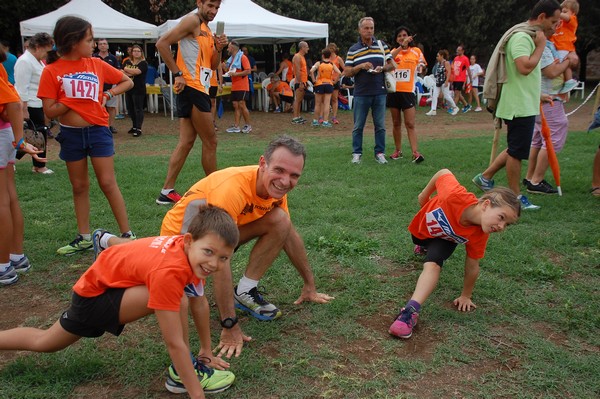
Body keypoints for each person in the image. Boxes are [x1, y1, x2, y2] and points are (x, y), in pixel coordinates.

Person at [0, 206, 239, 399]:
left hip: (107, 284)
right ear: (188, 241)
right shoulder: (171, 271)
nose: (214, 263)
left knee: (44, 340)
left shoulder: (186, 250)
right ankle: (184, 374)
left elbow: (198, 300)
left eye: (223, 258)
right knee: (44, 342)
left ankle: (187, 368)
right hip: (94, 299)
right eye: (209, 252)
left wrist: (206, 353)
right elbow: (173, 342)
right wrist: (197, 395)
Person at [160, 135, 334, 324]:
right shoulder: (232, 189)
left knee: (281, 221)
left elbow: (288, 235)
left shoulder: (273, 189)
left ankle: (245, 291)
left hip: (215, 235)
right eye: (279, 170)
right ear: (262, 163)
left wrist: (310, 285)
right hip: (179, 242)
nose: (285, 181)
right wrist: (230, 325)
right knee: (177, 300)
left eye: (294, 175)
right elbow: (218, 253)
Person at [37, 16, 135, 255]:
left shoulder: (96, 65)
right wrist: (71, 100)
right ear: (73, 41)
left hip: (98, 131)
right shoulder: (51, 71)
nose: (94, 44)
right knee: (79, 186)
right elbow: (49, 112)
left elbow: (127, 81)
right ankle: (83, 237)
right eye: (89, 40)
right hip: (70, 135)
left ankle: (128, 235)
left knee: (108, 182)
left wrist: (107, 94)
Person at [389, 169, 520, 339]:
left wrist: (466, 295)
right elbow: (443, 172)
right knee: (419, 241)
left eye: (507, 224)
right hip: (420, 232)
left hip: (445, 240)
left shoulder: (480, 234)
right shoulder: (455, 196)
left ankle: (410, 312)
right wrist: (424, 195)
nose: (501, 227)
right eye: (501, 217)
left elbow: (472, 266)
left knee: (433, 264)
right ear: (486, 205)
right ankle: (422, 247)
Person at [472, 0, 561, 211]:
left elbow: (520, 76)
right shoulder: (523, 37)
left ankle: (484, 178)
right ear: (541, 17)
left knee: (516, 147)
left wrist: (538, 95)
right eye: (554, 21)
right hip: (517, 106)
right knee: (516, 152)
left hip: (523, 103)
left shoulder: (529, 36)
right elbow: (523, 67)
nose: (555, 26)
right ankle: (515, 198)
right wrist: (541, 46)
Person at [155, 0, 228, 205]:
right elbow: (161, 43)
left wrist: (219, 48)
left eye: (217, 8)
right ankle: (214, 191)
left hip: (199, 88)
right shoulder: (191, 21)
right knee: (211, 141)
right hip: (192, 88)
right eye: (210, 6)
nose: (213, 11)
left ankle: (166, 191)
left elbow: (213, 65)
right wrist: (177, 74)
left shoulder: (206, 28)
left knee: (186, 142)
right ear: (200, 3)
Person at [0, 46, 45, 286]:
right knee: (9, 198)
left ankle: (3, 264)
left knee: (2, 201)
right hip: (4, 134)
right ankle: (16, 257)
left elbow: (14, 104)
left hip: (3, 135)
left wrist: (19, 141)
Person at [524, 34, 575, 195]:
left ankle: (530, 177)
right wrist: (568, 60)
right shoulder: (543, 45)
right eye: (554, 22)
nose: (556, 26)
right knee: (554, 133)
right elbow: (551, 72)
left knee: (538, 138)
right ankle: (536, 180)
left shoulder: (546, 44)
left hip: (543, 98)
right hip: (548, 99)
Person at [344, 16, 395, 165]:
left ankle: (380, 153)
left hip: (379, 91)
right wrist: (360, 67)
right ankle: (357, 153)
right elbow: (346, 72)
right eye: (366, 28)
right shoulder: (353, 49)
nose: (369, 31)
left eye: (371, 28)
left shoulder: (381, 45)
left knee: (380, 125)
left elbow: (392, 65)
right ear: (360, 30)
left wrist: (382, 68)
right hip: (361, 92)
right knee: (358, 125)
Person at [14, 32, 54, 174]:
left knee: (36, 134)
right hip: (30, 105)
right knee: (35, 134)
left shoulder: (35, 61)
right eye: (46, 51)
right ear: (38, 47)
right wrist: (24, 110)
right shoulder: (25, 61)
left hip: (37, 103)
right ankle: (38, 165)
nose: (46, 55)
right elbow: (21, 88)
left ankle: (37, 164)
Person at [387, 26, 425, 163]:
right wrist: (400, 47)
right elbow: (388, 60)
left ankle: (415, 152)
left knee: (410, 123)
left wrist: (421, 67)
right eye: (399, 36)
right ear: (396, 39)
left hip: (408, 92)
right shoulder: (393, 52)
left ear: (410, 37)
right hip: (394, 91)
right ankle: (398, 150)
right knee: (396, 123)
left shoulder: (416, 51)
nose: (402, 38)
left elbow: (422, 65)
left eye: (404, 35)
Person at [549, 0, 579, 93]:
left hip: (564, 47)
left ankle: (569, 81)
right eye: (561, 11)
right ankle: (568, 81)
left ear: (573, 13)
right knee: (562, 63)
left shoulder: (572, 20)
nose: (562, 13)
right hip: (556, 47)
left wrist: (557, 13)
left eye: (565, 11)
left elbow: (567, 18)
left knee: (562, 64)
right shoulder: (560, 22)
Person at [224, 40, 252, 134]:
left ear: (232, 48)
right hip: (235, 85)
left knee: (241, 104)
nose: (227, 49)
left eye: (228, 47)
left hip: (242, 85)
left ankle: (248, 125)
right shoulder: (232, 59)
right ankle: (236, 126)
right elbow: (231, 71)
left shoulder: (243, 57)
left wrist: (235, 74)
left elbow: (248, 71)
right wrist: (225, 69)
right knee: (236, 105)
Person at [93, 39, 120, 134]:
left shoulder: (113, 58)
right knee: (98, 107)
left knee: (111, 107)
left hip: (111, 86)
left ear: (108, 46)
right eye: (100, 44)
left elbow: (117, 72)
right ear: (98, 46)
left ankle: (110, 126)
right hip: (97, 87)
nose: (103, 46)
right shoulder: (94, 57)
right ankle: (100, 125)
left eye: (104, 44)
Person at [310, 48, 341, 127]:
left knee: (318, 103)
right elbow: (339, 73)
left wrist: (314, 80)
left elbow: (311, 71)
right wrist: (335, 81)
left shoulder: (319, 63)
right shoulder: (331, 64)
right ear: (330, 56)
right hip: (329, 84)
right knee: (327, 103)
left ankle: (315, 121)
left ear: (322, 55)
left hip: (319, 83)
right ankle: (325, 121)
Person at [122, 44, 148, 137]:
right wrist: (127, 71)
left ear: (141, 53)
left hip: (139, 89)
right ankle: (134, 126)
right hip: (128, 88)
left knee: (138, 109)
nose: (136, 53)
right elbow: (122, 73)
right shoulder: (127, 62)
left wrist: (126, 70)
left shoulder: (143, 63)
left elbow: (137, 72)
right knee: (130, 109)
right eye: (134, 51)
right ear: (131, 52)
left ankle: (138, 128)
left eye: (138, 51)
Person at [426, 49, 459, 116]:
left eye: (438, 56)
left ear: (442, 56)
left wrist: (447, 81)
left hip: (444, 81)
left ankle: (455, 107)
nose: (437, 57)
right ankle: (433, 110)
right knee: (435, 95)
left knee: (447, 96)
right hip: (438, 82)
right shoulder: (438, 63)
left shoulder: (446, 63)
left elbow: (449, 72)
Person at [291, 41, 310, 124]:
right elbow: (298, 71)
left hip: (303, 81)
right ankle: (295, 117)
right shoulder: (297, 57)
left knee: (300, 99)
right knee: (297, 100)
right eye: (307, 47)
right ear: (302, 47)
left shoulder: (302, 57)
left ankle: (298, 116)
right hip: (299, 82)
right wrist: (301, 82)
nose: (308, 49)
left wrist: (305, 82)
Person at [452, 44, 473, 113]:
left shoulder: (465, 59)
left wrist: (470, 79)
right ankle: (466, 105)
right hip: (455, 78)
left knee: (457, 94)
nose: (457, 51)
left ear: (463, 51)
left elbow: (468, 69)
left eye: (459, 50)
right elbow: (454, 69)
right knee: (457, 94)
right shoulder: (456, 58)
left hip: (461, 79)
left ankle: (454, 108)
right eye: (457, 50)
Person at [328, 43, 345, 125]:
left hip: (335, 81)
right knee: (326, 100)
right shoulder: (326, 57)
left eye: (332, 49)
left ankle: (334, 117)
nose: (330, 50)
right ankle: (324, 117)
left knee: (334, 99)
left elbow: (345, 69)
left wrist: (339, 77)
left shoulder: (338, 59)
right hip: (327, 81)